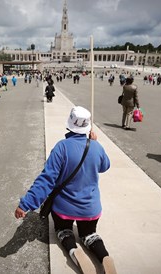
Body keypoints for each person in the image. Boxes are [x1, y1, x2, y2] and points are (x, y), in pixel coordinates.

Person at [14, 106, 117, 274]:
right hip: (91, 209)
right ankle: (104, 256)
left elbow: (46, 181)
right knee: (90, 234)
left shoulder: (61, 148)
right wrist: (96, 144)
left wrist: (26, 204)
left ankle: (74, 251)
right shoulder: (96, 147)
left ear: (69, 124)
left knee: (64, 232)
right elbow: (105, 166)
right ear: (87, 126)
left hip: (64, 209)